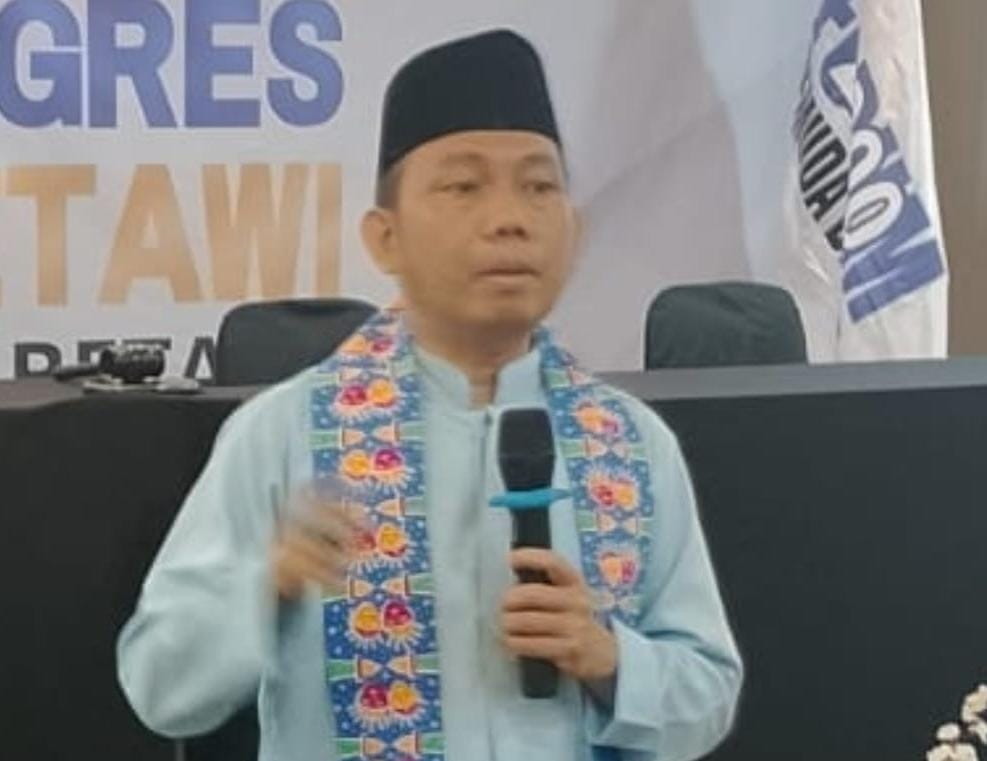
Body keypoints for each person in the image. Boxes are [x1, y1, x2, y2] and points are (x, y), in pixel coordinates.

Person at [117, 29, 742, 761]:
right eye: (464, 186)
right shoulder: (284, 435)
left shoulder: (632, 444)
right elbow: (159, 686)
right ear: (385, 238)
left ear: (572, 230)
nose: (509, 217)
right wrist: (267, 583)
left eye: (539, 187)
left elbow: (709, 695)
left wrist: (611, 661)